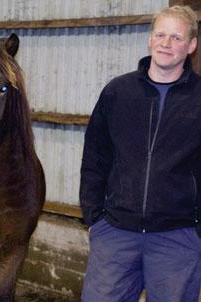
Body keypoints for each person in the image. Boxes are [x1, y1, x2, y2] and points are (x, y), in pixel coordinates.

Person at [80, 5, 201, 302]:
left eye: (176, 37)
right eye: (160, 34)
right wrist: (95, 217)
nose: (166, 43)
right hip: (116, 234)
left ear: (192, 45)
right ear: (149, 39)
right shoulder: (117, 92)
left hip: (178, 237)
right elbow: (95, 158)